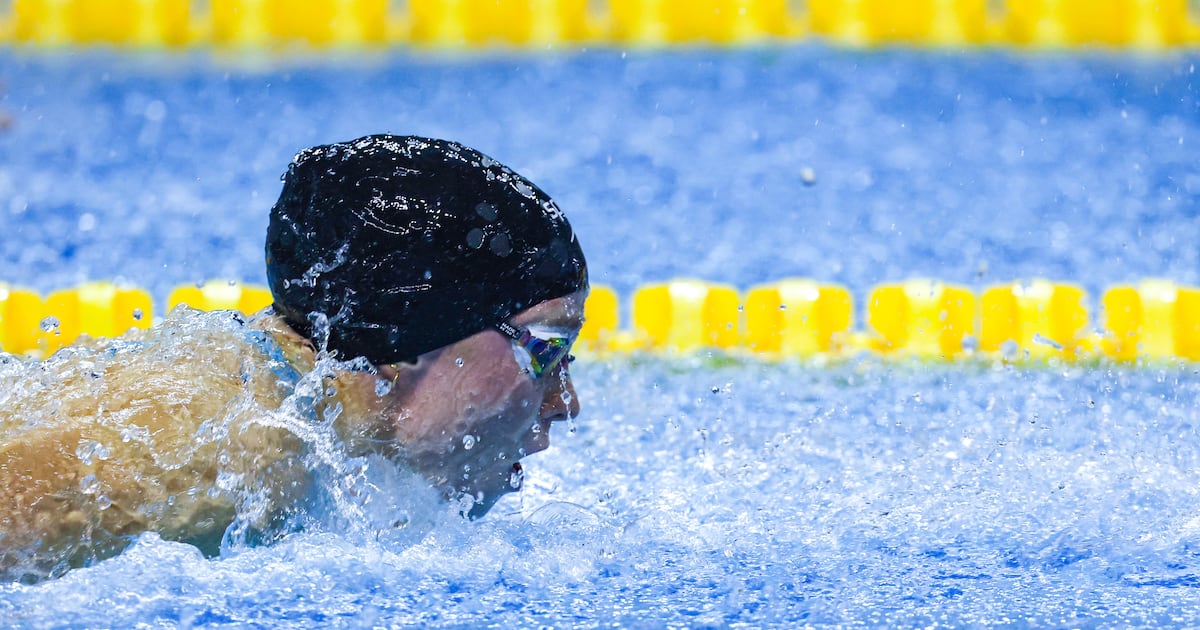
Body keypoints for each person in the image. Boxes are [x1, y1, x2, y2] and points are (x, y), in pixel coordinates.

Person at [0, 134, 588, 582]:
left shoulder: (281, 407)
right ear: (408, 344)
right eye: (547, 349)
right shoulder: (236, 452)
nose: (566, 403)